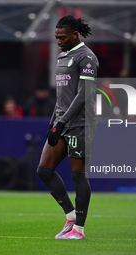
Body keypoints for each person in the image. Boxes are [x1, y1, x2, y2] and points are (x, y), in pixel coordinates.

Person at [37, 15, 98, 240]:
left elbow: (84, 95)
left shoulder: (87, 57)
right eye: (56, 38)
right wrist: (54, 122)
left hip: (81, 124)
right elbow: (61, 96)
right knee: (44, 170)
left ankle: (79, 230)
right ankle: (70, 217)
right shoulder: (62, 58)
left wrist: (61, 122)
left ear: (75, 35)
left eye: (62, 37)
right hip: (62, 123)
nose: (58, 41)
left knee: (78, 176)